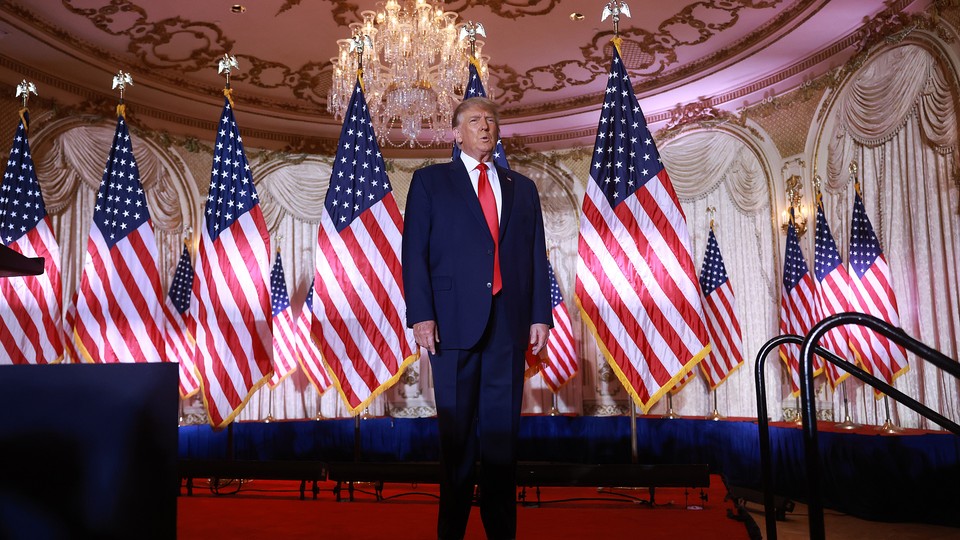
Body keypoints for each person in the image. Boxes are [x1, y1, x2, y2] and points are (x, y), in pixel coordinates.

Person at [402, 96, 552, 540]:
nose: (484, 127)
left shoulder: (522, 187)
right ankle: (451, 532)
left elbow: (534, 257)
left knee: (503, 441)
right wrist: (422, 315)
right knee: (457, 443)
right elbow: (415, 254)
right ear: (456, 133)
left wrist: (539, 315)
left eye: (490, 120)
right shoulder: (430, 183)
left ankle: (501, 533)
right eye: (473, 121)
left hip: (508, 328)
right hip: (452, 327)